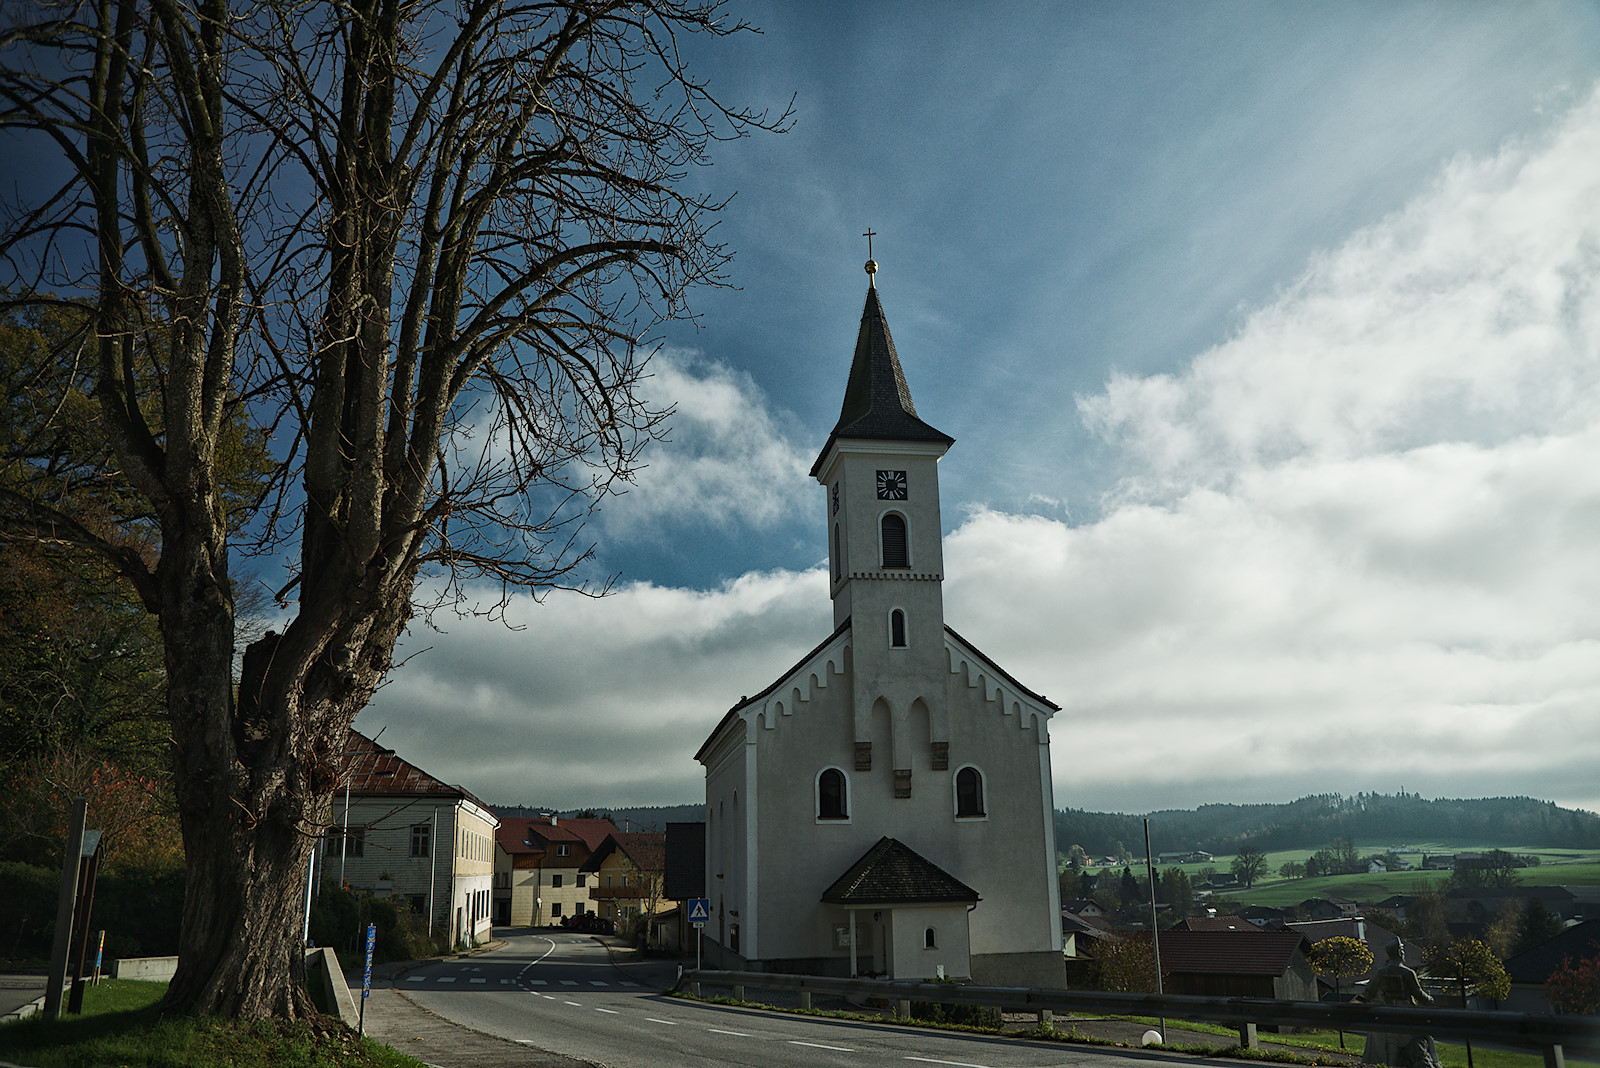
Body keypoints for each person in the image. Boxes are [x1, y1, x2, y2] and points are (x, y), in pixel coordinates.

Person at [1356, 940, 1440, 1068]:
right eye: (1403, 950)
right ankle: (1436, 1063)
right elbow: (1418, 994)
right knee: (1427, 1035)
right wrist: (1430, 1000)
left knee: (1393, 1047)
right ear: (1399, 952)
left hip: (1389, 1015)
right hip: (1408, 1015)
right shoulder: (1407, 973)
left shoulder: (1381, 972)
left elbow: (1368, 991)